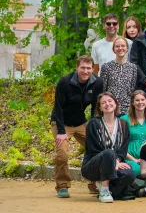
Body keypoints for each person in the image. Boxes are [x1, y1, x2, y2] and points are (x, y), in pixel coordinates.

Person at [50, 55, 102, 198]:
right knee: (63, 154)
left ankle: (94, 183)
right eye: (83, 68)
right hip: (61, 122)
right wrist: (61, 131)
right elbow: (58, 107)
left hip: (81, 122)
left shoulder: (97, 83)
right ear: (77, 67)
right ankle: (62, 186)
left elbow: (95, 108)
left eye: (88, 68)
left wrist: (94, 126)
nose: (86, 71)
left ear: (93, 68)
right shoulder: (65, 82)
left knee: (97, 148)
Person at [81, 93, 136, 202]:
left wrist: (118, 161)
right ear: (100, 107)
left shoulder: (123, 124)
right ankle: (104, 191)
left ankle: (111, 190)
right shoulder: (93, 123)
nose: (107, 104)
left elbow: (123, 149)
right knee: (109, 153)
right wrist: (113, 162)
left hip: (115, 164)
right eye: (103, 103)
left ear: (116, 104)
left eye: (110, 101)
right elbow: (93, 149)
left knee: (130, 174)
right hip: (93, 166)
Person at [100, 37, 146, 113]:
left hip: (127, 109)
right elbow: (103, 89)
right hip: (111, 107)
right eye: (117, 46)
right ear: (113, 49)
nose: (120, 48)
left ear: (127, 48)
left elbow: (132, 89)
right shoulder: (106, 67)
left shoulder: (133, 68)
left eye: (123, 46)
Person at [121, 90, 146, 176]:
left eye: (142, 99)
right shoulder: (123, 120)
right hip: (130, 158)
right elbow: (119, 145)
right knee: (136, 170)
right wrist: (135, 160)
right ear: (132, 103)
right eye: (137, 100)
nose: (140, 102)